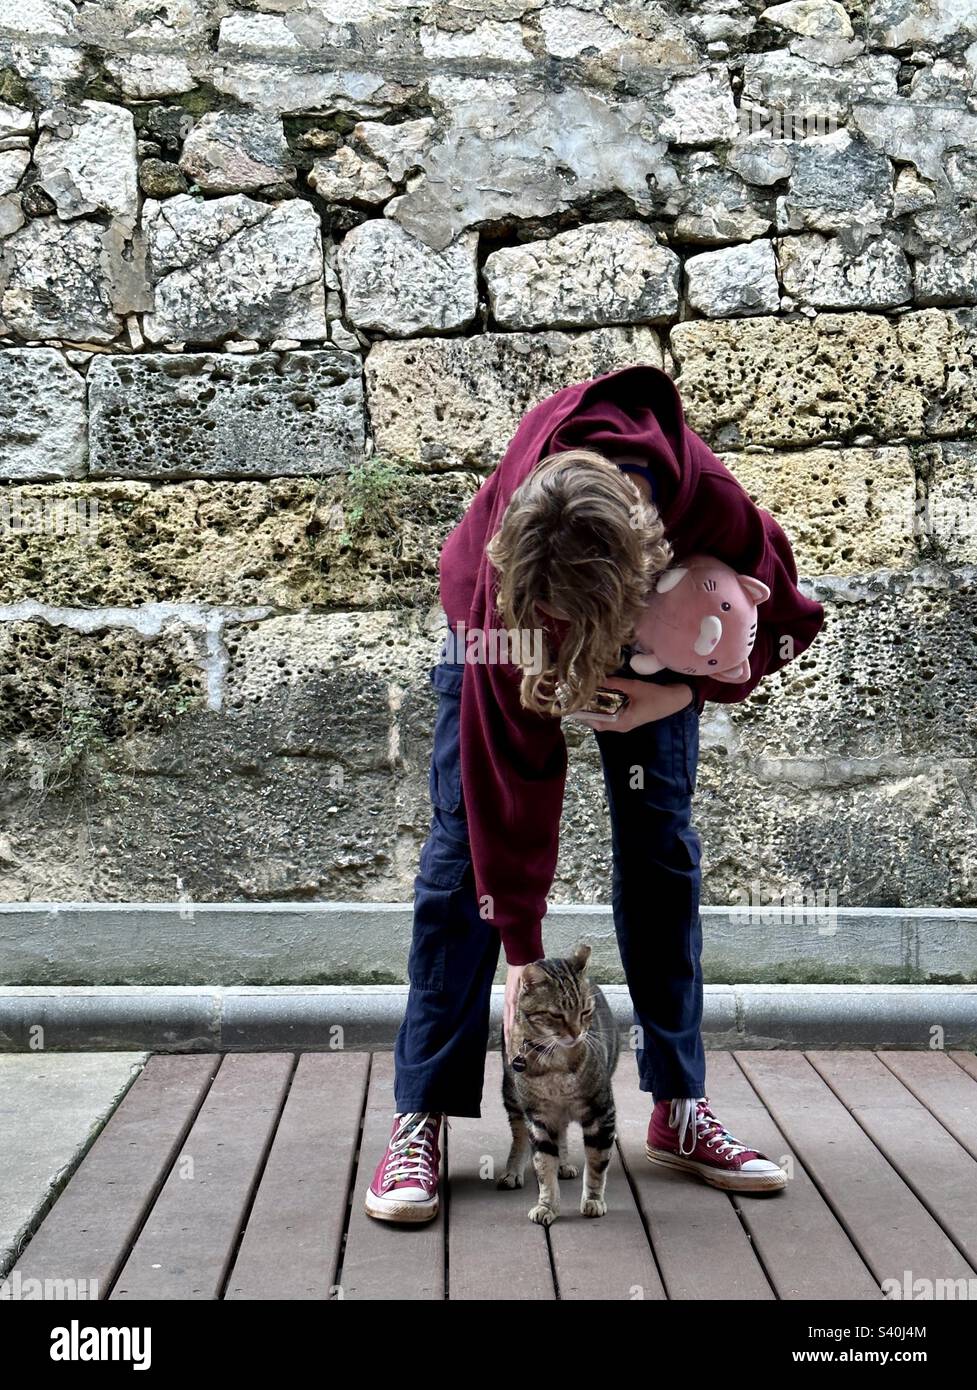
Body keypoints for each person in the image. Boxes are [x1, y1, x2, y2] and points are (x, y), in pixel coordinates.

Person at [364, 362, 825, 1223]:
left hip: (653, 648)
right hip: (514, 641)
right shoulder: (491, 594)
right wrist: (520, 956)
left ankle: (678, 1107)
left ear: (656, 551)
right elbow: (512, 785)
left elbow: (786, 621)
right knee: (462, 854)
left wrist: (681, 691)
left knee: (660, 849)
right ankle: (418, 1113)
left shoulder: (704, 505)